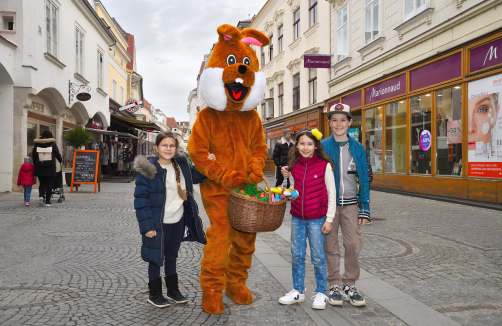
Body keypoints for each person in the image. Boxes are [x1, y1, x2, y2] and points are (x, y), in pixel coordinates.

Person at [284, 104, 370, 307]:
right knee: (330, 247)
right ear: (329, 123)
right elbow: (305, 161)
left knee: (352, 244)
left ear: (349, 122)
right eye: (334, 120)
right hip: (325, 207)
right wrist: (288, 171)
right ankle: (333, 285)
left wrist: (365, 207)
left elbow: (364, 178)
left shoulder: (357, 148)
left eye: (343, 120)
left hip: (350, 204)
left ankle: (349, 283)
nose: (339, 124)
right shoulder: (322, 145)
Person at [133, 131, 208, 308]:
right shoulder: (148, 170)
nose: (168, 148)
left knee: (172, 256)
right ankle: (155, 293)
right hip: (158, 222)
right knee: (155, 257)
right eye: (164, 145)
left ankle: (173, 291)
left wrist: (209, 162)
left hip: (178, 220)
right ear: (157, 147)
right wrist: (147, 226)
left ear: (176, 148)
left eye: (172, 145)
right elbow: (141, 201)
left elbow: (197, 177)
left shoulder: (181, 165)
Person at [278, 128, 336, 310]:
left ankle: (321, 292)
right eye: (302, 143)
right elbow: (294, 189)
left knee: (318, 256)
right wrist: (288, 194)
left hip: (317, 219)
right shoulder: (294, 165)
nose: (305, 147)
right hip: (297, 217)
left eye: (309, 144)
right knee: (297, 255)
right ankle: (298, 290)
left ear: (316, 145)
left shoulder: (324, 165)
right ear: (297, 145)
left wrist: (329, 219)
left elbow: (331, 193)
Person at [32, 130, 62, 207]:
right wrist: (60, 160)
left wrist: (36, 164)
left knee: (42, 184)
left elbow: (34, 156)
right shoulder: (53, 144)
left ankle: (41, 196)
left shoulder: (37, 144)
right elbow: (57, 154)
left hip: (40, 167)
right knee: (49, 184)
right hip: (50, 167)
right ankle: (48, 202)